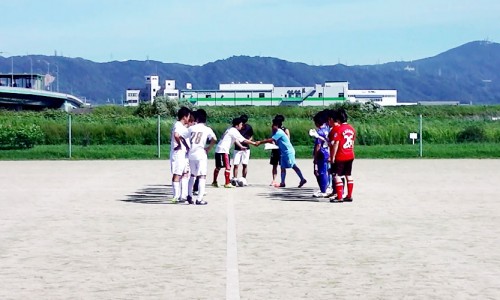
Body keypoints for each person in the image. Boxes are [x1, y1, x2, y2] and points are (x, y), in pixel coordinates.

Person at [258, 118, 307, 188]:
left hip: (288, 152)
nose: (272, 126)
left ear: (277, 125)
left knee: (293, 165)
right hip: (283, 152)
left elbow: (271, 139)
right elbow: (274, 141)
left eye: (273, 125)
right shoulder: (276, 132)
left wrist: (260, 142)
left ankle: (302, 179)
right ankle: (282, 182)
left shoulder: (279, 132)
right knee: (282, 167)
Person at [212, 117, 257, 188]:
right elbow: (243, 140)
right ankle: (227, 183)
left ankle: (214, 182)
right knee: (228, 167)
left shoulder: (229, 129)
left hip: (218, 149)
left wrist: (241, 147)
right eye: (241, 125)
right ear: (237, 125)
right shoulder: (234, 130)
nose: (242, 126)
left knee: (218, 167)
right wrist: (253, 143)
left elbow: (235, 139)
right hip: (224, 150)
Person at [187, 109, 217, 205]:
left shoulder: (191, 128)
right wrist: (209, 148)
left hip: (191, 153)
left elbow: (182, 137)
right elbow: (214, 139)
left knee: (192, 175)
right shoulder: (207, 129)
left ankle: (189, 195)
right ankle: (199, 198)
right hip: (200, 154)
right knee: (202, 176)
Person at [329, 108, 356, 202]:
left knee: (337, 175)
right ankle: (349, 195)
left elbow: (336, 144)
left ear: (338, 119)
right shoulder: (351, 128)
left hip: (341, 155)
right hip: (350, 154)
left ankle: (339, 197)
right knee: (348, 174)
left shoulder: (339, 129)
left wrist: (332, 157)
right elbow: (352, 142)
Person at [170, 106, 191, 203]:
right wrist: (178, 144)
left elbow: (182, 137)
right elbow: (176, 135)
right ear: (184, 117)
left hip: (184, 154)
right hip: (178, 154)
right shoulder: (178, 125)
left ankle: (183, 195)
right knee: (177, 173)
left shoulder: (182, 127)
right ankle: (175, 196)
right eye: (188, 116)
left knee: (185, 173)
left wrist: (186, 147)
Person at [312, 110, 330, 198]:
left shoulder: (319, 132)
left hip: (321, 153)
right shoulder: (327, 129)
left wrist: (315, 157)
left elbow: (318, 145)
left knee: (321, 172)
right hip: (327, 152)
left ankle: (324, 190)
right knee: (326, 171)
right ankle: (326, 188)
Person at [232, 114, 254, 185]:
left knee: (245, 164)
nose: (242, 125)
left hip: (246, 148)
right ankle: (235, 179)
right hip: (237, 148)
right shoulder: (236, 128)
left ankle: (243, 179)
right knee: (236, 164)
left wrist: (248, 141)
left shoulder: (248, 127)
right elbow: (235, 138)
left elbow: (251, 136)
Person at [269, 114, 290, 187]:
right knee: (274, 165)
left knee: (282, 166)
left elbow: (288, 140)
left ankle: (282, 181)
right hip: (275, 149)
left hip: (282, 150)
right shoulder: (274, 129)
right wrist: (273, 144)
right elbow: (272, 138)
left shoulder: (285, 129)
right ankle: (274, 180)